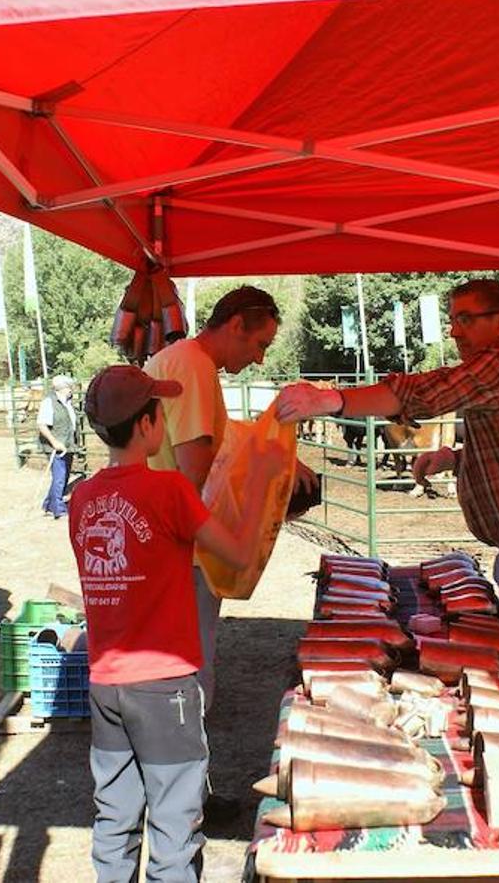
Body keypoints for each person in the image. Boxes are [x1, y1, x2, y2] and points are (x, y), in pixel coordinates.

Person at [278, 278, 499, 721]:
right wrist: (455, 457)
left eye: (466, 319)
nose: (455, 331)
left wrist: (331, 400)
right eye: (453, 321)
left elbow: (427, 392)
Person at [69, 364, 287, 883]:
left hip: (105, 682)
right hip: (164, 687)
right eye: (160, 412)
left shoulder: (81, 497)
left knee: (115, 816)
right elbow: (234, 554)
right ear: (146, 425)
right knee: (174, 822)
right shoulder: (169, 493)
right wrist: (262, 476)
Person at [143, 285, 318, 711]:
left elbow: (213, 441)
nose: (259, 358)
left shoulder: (180, 359)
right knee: (189, 662)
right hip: (180, 545)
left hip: (160, 535)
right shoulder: (195, 366)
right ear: (236, 324)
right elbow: (194, 469)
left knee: (175, 657)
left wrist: (280, 457)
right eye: (260, 344)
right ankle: (184, 753)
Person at [37, 374, 78, 519]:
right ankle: (59, 510)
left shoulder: (67, 402)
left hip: (68, 444)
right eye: (69, 387)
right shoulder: (49, 402)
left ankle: (48, 505)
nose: (71, 390)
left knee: (63, 475)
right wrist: (54, 441)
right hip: (56, 446)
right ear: (62, 388)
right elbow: (42, 424)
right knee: (60, 477)